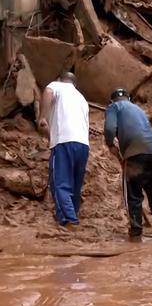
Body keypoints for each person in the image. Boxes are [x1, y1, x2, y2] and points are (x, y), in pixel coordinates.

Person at [104, 88, 152, 242]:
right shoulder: (138, 109)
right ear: (129, 98)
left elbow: (109, 129)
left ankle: (135, 235)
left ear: (112, 100)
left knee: (134, 195)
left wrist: (110, 144)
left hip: (136, 151)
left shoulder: (114, 107)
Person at [37, 72, 89, 228]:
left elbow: (47, 92)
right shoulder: (82, 98)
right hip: (83, 145)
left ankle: (68, 221)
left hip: (64, 142)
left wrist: (42, 117)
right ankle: (73, 216)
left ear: (60, 80)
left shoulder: (57, 86)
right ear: (75, 84)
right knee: (75, 184)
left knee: (60, 182)